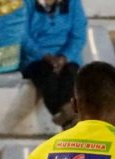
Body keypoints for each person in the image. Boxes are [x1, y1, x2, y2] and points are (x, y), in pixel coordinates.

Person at [21, 0, 87, 129]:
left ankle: (65, 118)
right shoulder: (27, 3)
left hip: (68, 58)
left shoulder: (73, 3)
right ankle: (69, 118)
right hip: (36, 59)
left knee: (70, 74)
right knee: (48, 76)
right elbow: (23, 37)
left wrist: (64, 57)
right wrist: (45, 56)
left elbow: (79, 36)